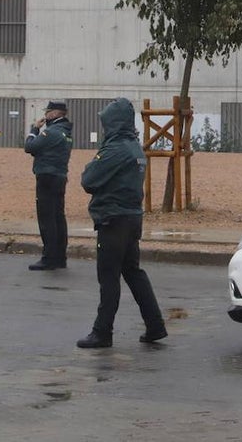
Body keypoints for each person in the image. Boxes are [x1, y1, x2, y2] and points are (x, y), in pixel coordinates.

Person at [76, 97, 167, 348]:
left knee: (108, 277)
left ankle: (102, 332)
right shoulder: (135, 148)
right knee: (134, 273)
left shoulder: (115, 150)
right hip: (131, 218)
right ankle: (155, 325)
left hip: (113, 219)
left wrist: (95, 162)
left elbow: (88, 180)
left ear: (114, 123)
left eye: (106, 122)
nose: (104, 127)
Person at [24, 100, 74, 271]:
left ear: (54, 114)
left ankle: (49, 257)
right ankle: (60, 257)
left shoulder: (51, 133)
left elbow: (29, 147)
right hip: (60, 177)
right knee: (58, 217)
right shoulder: (66, 133)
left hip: (46, 177)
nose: (45, 115)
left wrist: (34, 130)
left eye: (47, 112)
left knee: (47, 219)